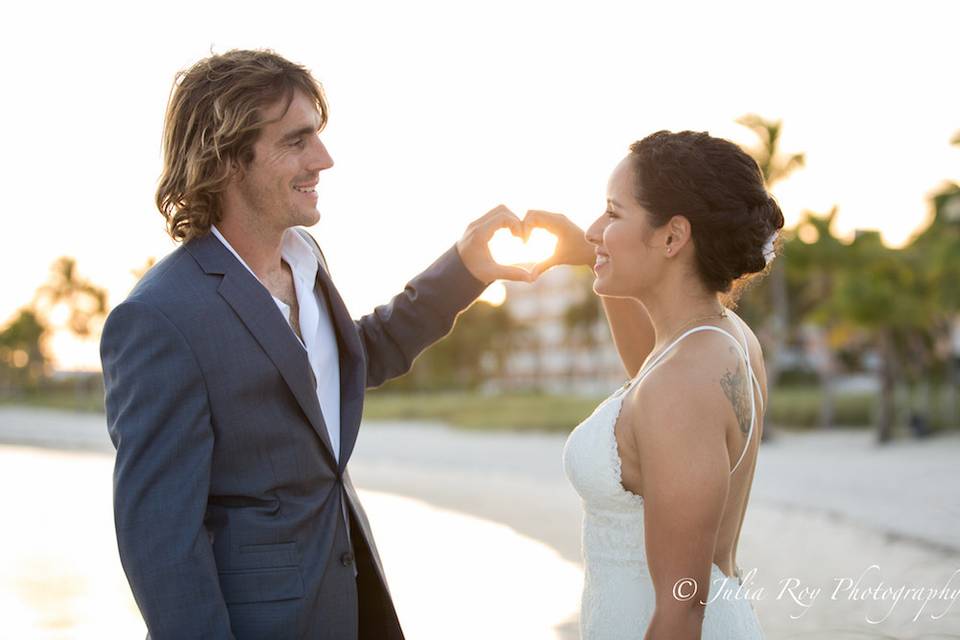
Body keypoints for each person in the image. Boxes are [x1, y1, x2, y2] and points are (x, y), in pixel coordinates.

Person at [100, 49, 531, 640]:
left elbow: (356, 357)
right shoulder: (159, 318)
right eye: (297, 141)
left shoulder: (305, 263)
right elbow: (160, 544)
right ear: (228, 159)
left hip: (354, 607)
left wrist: (466, 269)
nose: (323, 159)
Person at [526, 130, 780, 638]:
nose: (596, 228)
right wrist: (592, 250)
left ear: (672, 237)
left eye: (613, 213)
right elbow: (647, 376)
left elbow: (682, 608)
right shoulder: (714, 341)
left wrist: (598, 250)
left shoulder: (685, 381)